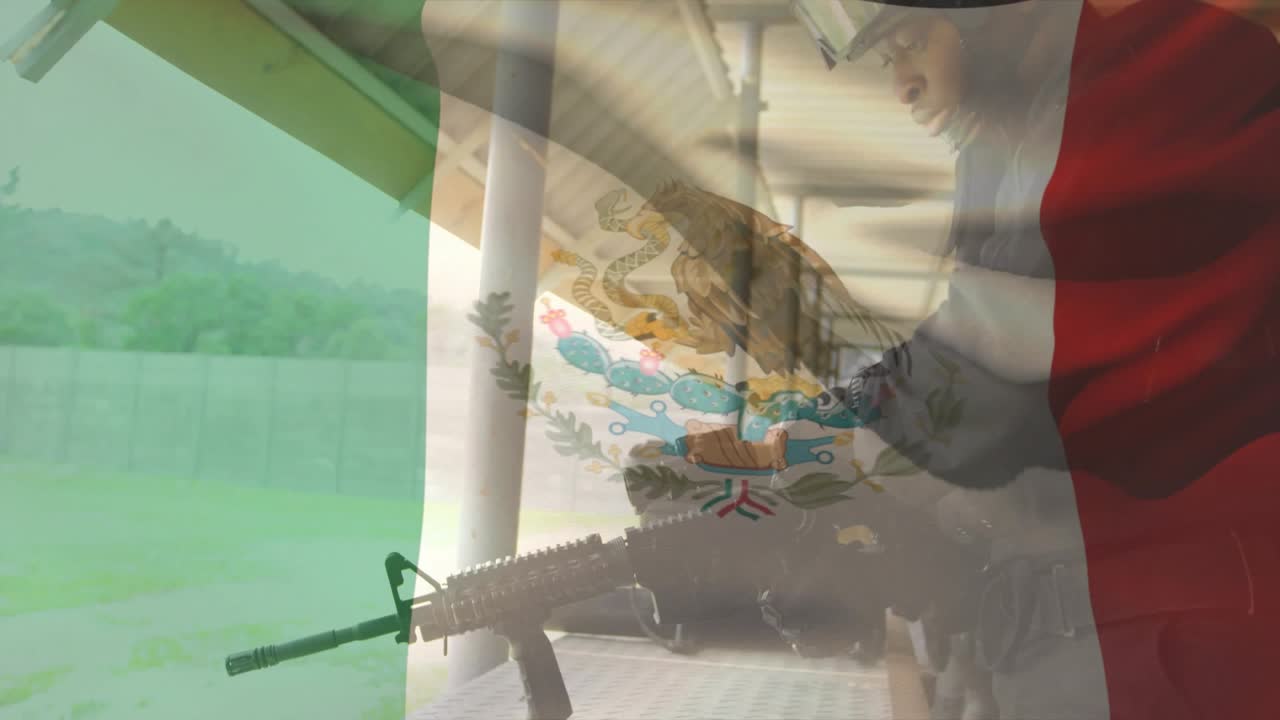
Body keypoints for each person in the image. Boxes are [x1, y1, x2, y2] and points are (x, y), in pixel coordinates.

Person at [782, 0, 1280, 718]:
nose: (903, 85)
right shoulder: (1021, 144)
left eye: (912, 43)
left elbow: (994, 360)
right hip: (1106, 631)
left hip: (1169, 638)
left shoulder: (1152, 84)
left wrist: (814, 450)